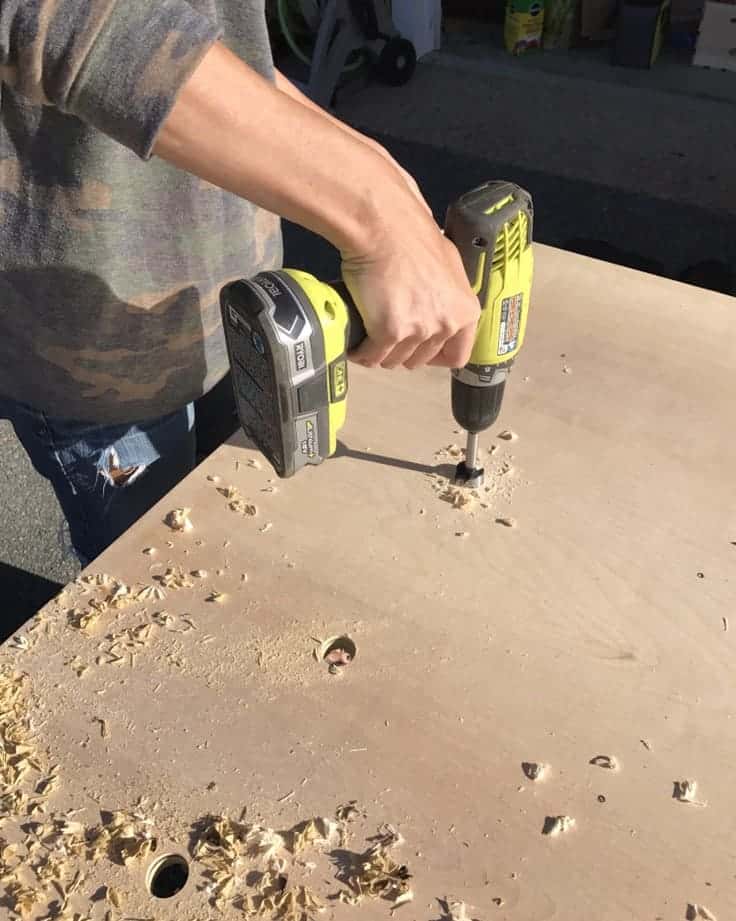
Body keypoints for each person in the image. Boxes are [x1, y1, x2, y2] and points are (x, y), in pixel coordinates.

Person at [0, 2, 480, 566]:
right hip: (94, 345)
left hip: (232, 294)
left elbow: (212, 29)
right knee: (158, 573)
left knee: (229, 530)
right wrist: (374, 209)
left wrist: (366, 168)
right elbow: (62, 18)